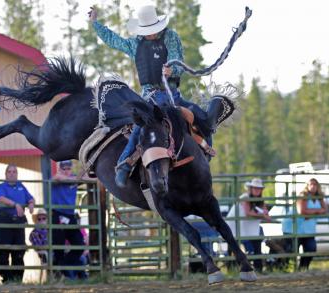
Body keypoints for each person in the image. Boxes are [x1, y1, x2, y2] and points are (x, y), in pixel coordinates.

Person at [88, 5, 225, 188]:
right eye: (147, 31)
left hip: (173, 96)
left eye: (153, 30)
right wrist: (96, 24)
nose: (151, 34)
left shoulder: (170, 37)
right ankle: (125, 163)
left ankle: (204, 150)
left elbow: (177, 59)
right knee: (141, 124)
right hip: (150, 98)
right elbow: (114, 40)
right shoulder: (135, 44)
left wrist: (172, 69)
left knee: (201, 119)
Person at [0, 164, 35, 283]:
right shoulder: (2, 186)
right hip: (4, 221)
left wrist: (31, 203)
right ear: (6, 174)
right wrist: (15, 204)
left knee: (19, 251)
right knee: (3, 251)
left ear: (17, 174)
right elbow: (0, 198)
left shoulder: (21, 186)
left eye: (14, 172)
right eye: (9, 172)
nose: (12, 174)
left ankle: (17, 280)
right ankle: (6, 279)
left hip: (18, 222)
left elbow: (30, 198)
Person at [226, 178, 271, 272]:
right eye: (254, 188)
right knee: (233, 247)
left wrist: (262, 215)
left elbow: (266, 216)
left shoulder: (260, 201)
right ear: (250, 188)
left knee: (256, 247)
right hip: (235, 225)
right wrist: (262, 215)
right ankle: (231, 269)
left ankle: (258, 269)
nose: (257, 190)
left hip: (250, 227)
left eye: (259, 188)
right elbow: (248, 213)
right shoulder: (245, 197)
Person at [51, 160, 87, 280]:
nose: (66, 171)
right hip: (57, 214)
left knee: (79, 244)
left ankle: (64, 267)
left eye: (68, 168)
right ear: (60, 169)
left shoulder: (73, 178)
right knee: (58, 245)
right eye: (64, 169)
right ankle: (65, 273)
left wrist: (81, 178)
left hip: (70, 215)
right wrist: (78, 179)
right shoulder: (58, 177)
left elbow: (89, 178)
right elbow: (58, 178)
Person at [282, 178, 327, 270]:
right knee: (291, 251)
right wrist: (317, 212)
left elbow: (325, 210)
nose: (313, 187)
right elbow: (301, 211)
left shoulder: (319, 198)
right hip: (293, 228)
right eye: (311, 184)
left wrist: (310, 213)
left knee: (311, 248)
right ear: (307, 186)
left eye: (315, 184)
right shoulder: (303, 195)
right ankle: (285, 269)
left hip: (308, 229)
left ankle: (303, 268)